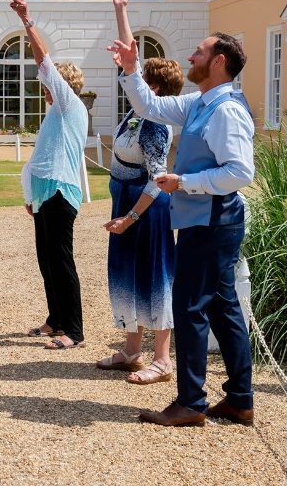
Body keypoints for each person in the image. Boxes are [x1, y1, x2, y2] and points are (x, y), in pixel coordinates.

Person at [109, 0, 256, 428]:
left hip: (213, 222)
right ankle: (240, 400)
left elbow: (240, 173)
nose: (190, 57)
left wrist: (183, 182)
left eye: (198, 51)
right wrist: (131, 67)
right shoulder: (199, 102)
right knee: (224, 309)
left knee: (190, 308)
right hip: (205, 221)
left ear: (219, 61)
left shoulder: (226, 110)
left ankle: (191, 402)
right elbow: (148, 105)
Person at [9, 0, 89, 350]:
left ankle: (74, 329)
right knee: (47, 260)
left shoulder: (68, 104)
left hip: (60, 193)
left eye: (48, 83)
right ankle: (56, 319)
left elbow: (43, 61)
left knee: (61, 260)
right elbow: (41, 157)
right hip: (45, 195)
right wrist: (32, 195)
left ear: (59, 84)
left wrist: (26, 21)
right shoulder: (56, 113)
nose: (43, 87)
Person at [97, 56, 183, 385]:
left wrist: (130, 218)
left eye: (142, 78)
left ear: (154, 88)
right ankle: (132, 351)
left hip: (147, 212)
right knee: (127, 275)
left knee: (154, 277)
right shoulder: (137, 113)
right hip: (126, 204)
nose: (134, 82)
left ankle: (162, 360)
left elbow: (157, 180)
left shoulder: (156, 124)